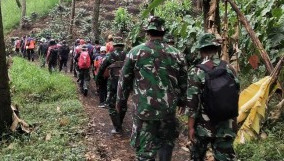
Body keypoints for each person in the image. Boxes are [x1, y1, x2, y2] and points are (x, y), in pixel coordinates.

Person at [116, 16, 187, 161]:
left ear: (148, 32)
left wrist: (120, 101)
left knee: (145, 151)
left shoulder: (135, 52)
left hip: (145, 110)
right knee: (166, 143)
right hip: (168, 110)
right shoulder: (177, 54)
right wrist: (182, 101)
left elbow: (124, 80)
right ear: (163, 32)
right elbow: (184, 82)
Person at [186, 33, 239, 161]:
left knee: (196, 157)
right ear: (216, 49)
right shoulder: (230, 68)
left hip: (203, 127)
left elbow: (193, 103)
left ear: (201, 51)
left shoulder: (196, 71)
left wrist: (191, 127)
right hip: (226, 124)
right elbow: (235, 95)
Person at [97, 37, 127, 134]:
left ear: (114, 46)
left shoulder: (110, 55)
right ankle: (120, 122)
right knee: (123, 103)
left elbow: (102, 68)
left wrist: (98, 80)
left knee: (111, 105)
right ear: (123, 46)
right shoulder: (128, 55)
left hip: (113, 84)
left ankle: (117, 127)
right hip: (126, 84)